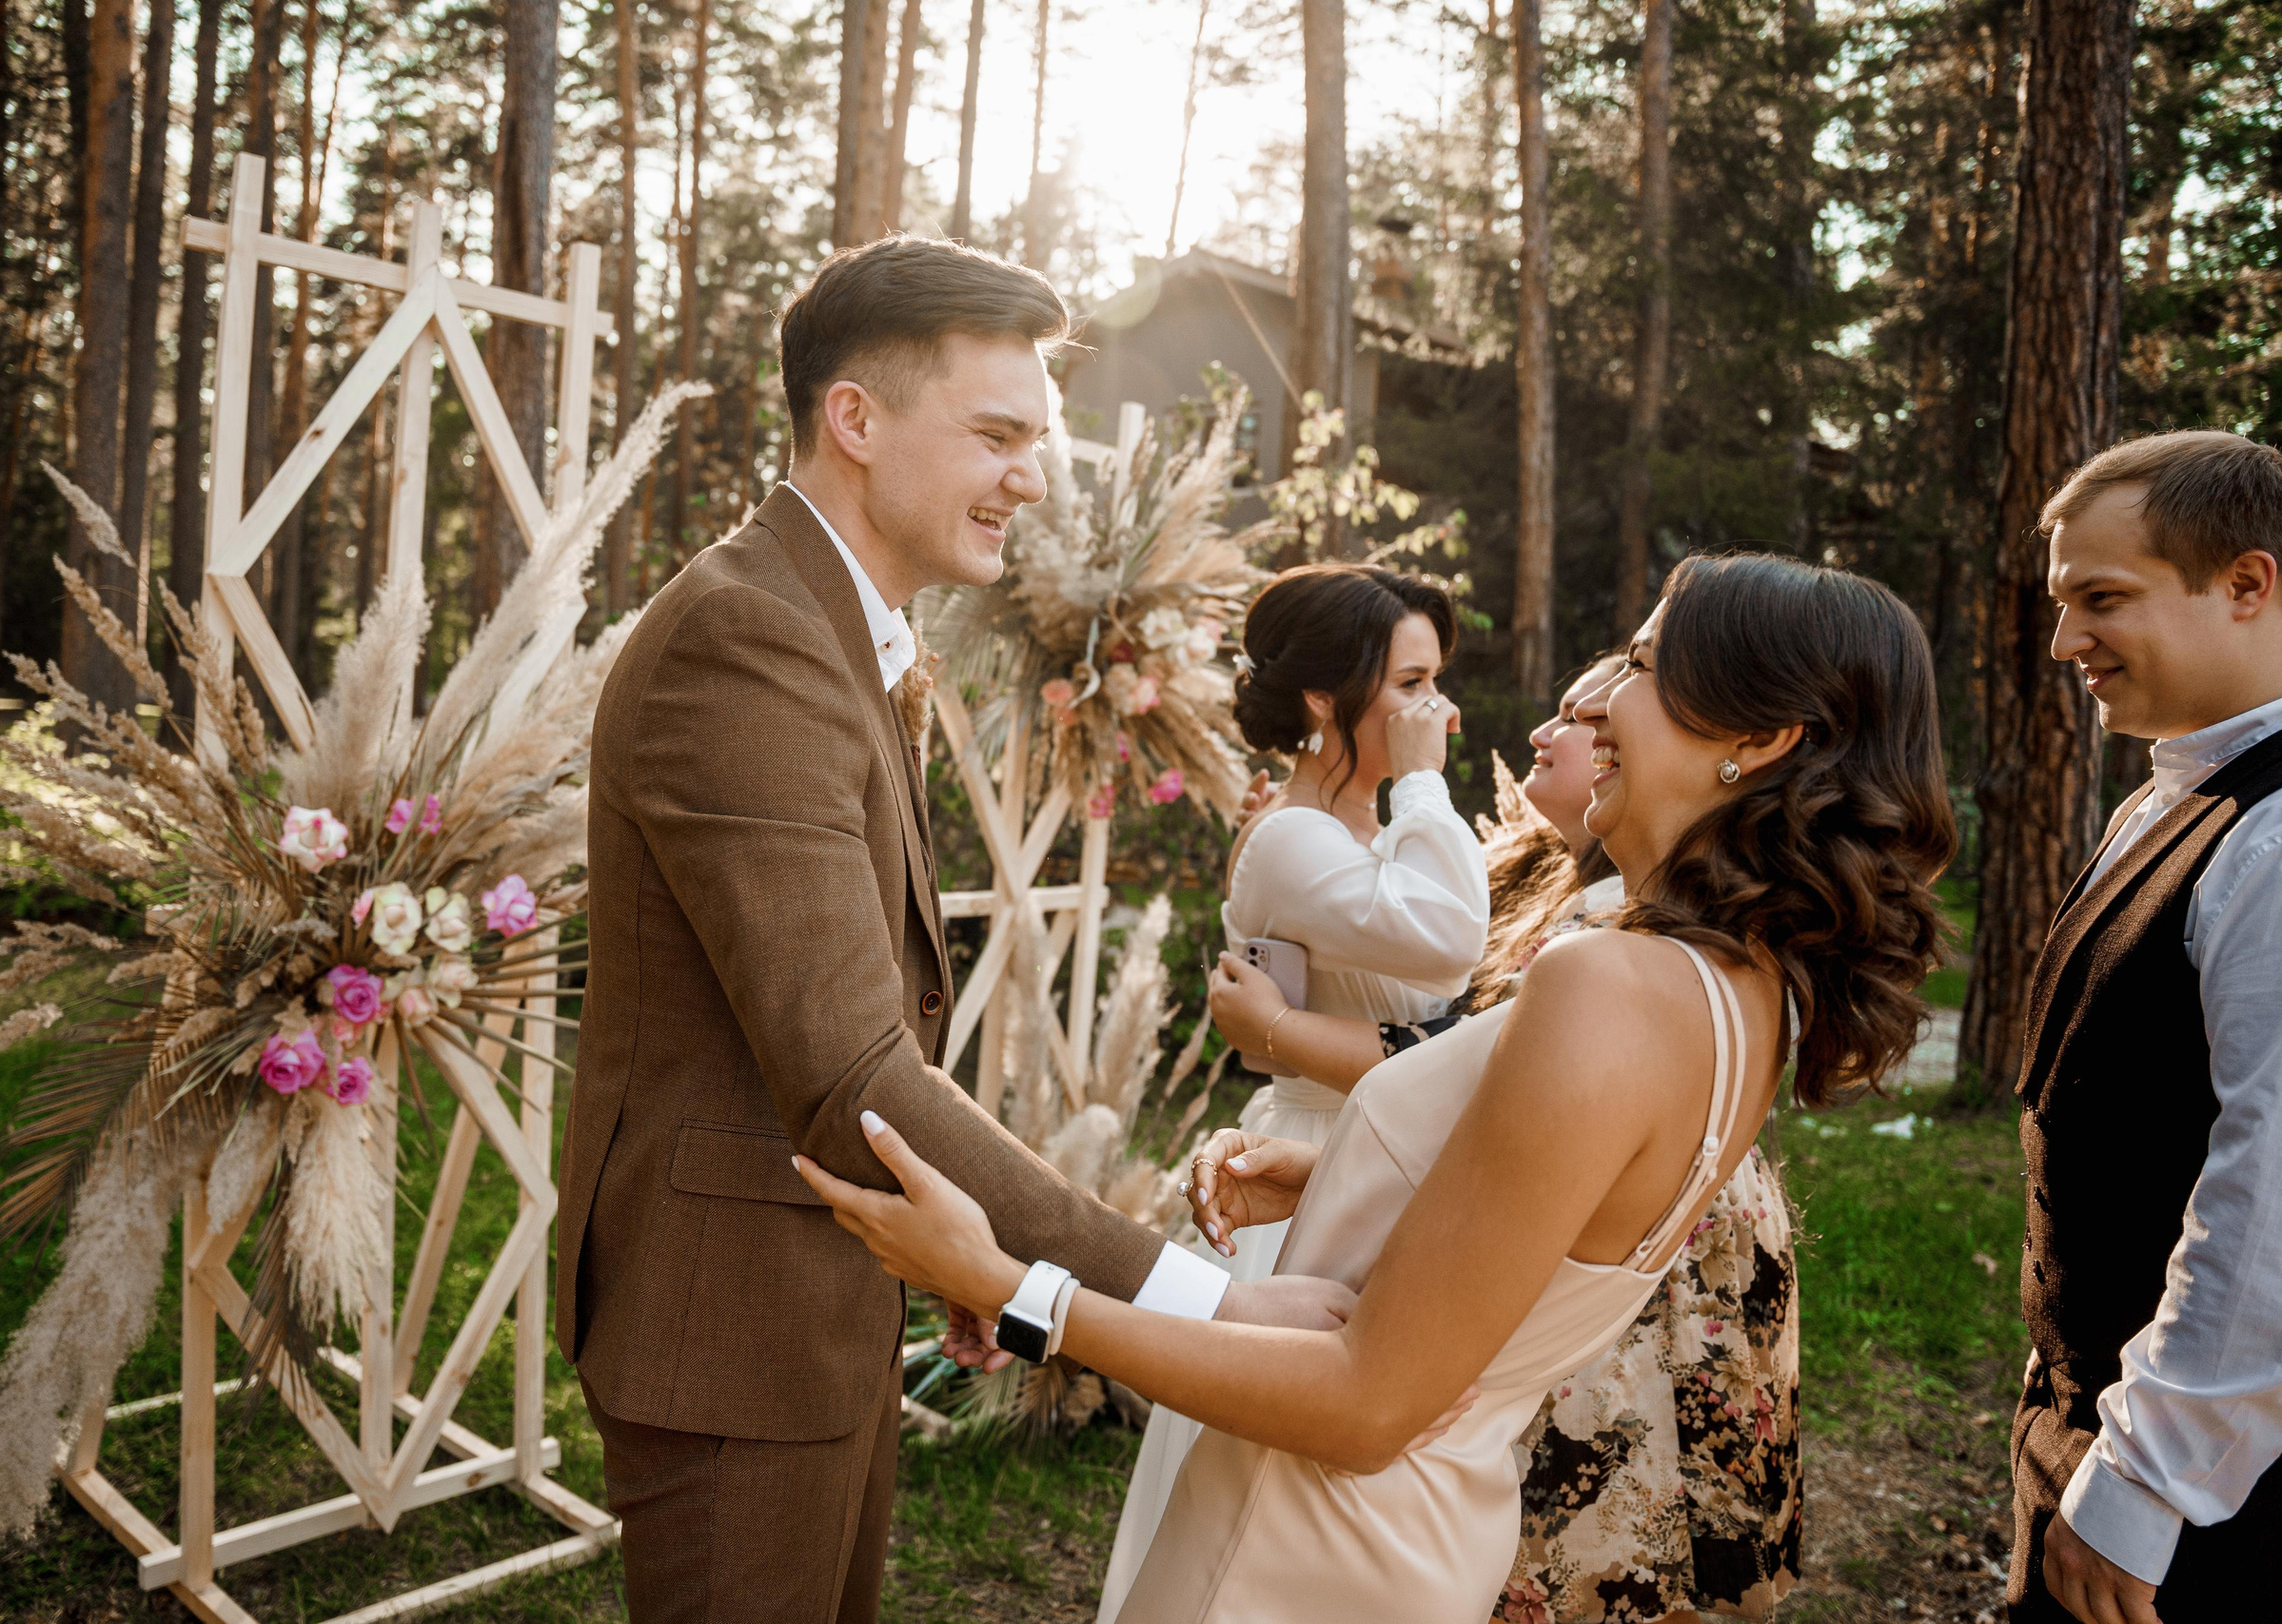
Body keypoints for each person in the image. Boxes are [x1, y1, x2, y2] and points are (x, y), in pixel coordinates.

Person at [797, 553, 1953, 1622]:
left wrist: (1010, 1286)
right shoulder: (1739, 992)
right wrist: (1339, 1169)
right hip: (1427, 1531)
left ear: (1754, 736)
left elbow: (1362, 1403)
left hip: (1300, 1545)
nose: (1596, 705)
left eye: (1644, 669)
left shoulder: (1608, 984)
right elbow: (1561, 1228)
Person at [554, 235, 1348, 1624]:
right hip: (728, 1323)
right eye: (996, 433)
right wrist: (1192, 1300)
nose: (1033, 476)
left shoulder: (831, 625)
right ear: (853, 419)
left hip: (817, 1289)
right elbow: (854, 1065)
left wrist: (972, 1244)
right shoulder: (748, 638)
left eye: (1034, 439)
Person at [1208, 648, 1803, 1622]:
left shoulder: (1620, 957)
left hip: (1606, 1250)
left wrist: (1276, 1032)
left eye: (1583, 711)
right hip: (1556, 1223)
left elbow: (1457, 1061)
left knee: (1611, 1519)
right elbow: (1476, 1091)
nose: (1561, 728)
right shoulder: (1575, 899)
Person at [1097, 562, 1491, 1624]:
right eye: (1409, 685)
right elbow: (1454, 941)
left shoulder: (1365, 831)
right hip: (1315, 1174)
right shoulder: (1290, 839)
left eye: (1436, 682)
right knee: (1268, 1502)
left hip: (1384, 1158)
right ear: (1328, 698)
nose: (1435, 712)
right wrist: (1423, 783)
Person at [2003, 431, 2282, 1624]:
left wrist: (2146, 1482)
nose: (2066, 641)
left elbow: (2269, 1195)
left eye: (2100, 600)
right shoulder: (2173, 799)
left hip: (2205, 1512)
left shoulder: (2274, 843)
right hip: (2089, 1427)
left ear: (2248, 583)